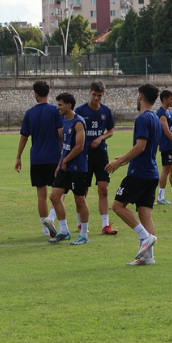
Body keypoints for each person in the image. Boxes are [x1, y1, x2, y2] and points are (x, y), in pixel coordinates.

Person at [106, 83, 162, 266]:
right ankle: (149, 257)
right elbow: (146, 149)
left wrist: (118, 162)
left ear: (139, 96)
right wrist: (124, 157)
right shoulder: (155, 118)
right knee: (145, 213)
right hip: (152, 172)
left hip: (139, 173)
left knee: (117, 206)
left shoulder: (142, 119)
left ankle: (145, 237)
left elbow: (140, 146)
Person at [14, 81, 63, 237]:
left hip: (36, 159)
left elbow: (23, 137)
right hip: (54, 158)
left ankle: (44, 228)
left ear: (35, 94)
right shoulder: (56, 111)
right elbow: (61, 133)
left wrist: (18, 157)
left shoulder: (29, 113)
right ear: (49, 93)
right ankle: (52, 218)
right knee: (60, 192)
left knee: (41, 195)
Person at [74, 81, 118, 235]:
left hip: (101, 154)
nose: (96, 98)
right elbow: (74, 131)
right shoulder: (80, 110)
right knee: (83, 190)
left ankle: (105, 225)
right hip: (84, 155)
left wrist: (101, 137)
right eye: (94, 95)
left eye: (99, 95)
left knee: (103, 189)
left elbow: (111, 131)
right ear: (89, 92)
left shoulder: (106, 111)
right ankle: (81, 223)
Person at [47, 93, 90, 245]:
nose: (57, 107)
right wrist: (60, 164)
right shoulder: (64, 120)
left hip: (77, 168)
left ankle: (84, 235)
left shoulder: (78, 122)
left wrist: (65, 160)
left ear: (69, 105)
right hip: (65, 166)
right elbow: (65, 147)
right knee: (54, 196)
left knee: (79, 200)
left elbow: (79, 146)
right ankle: (64, 231)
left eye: (60, 104)